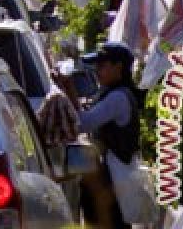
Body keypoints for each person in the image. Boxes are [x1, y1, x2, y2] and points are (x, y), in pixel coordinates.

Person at [78, 42, 143, 229]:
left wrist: (70, 92)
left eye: (102, 66)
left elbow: (83, 123)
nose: (97, 71)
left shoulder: (118, 98)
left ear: (119, 67)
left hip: (112, 181)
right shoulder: (110, 93)